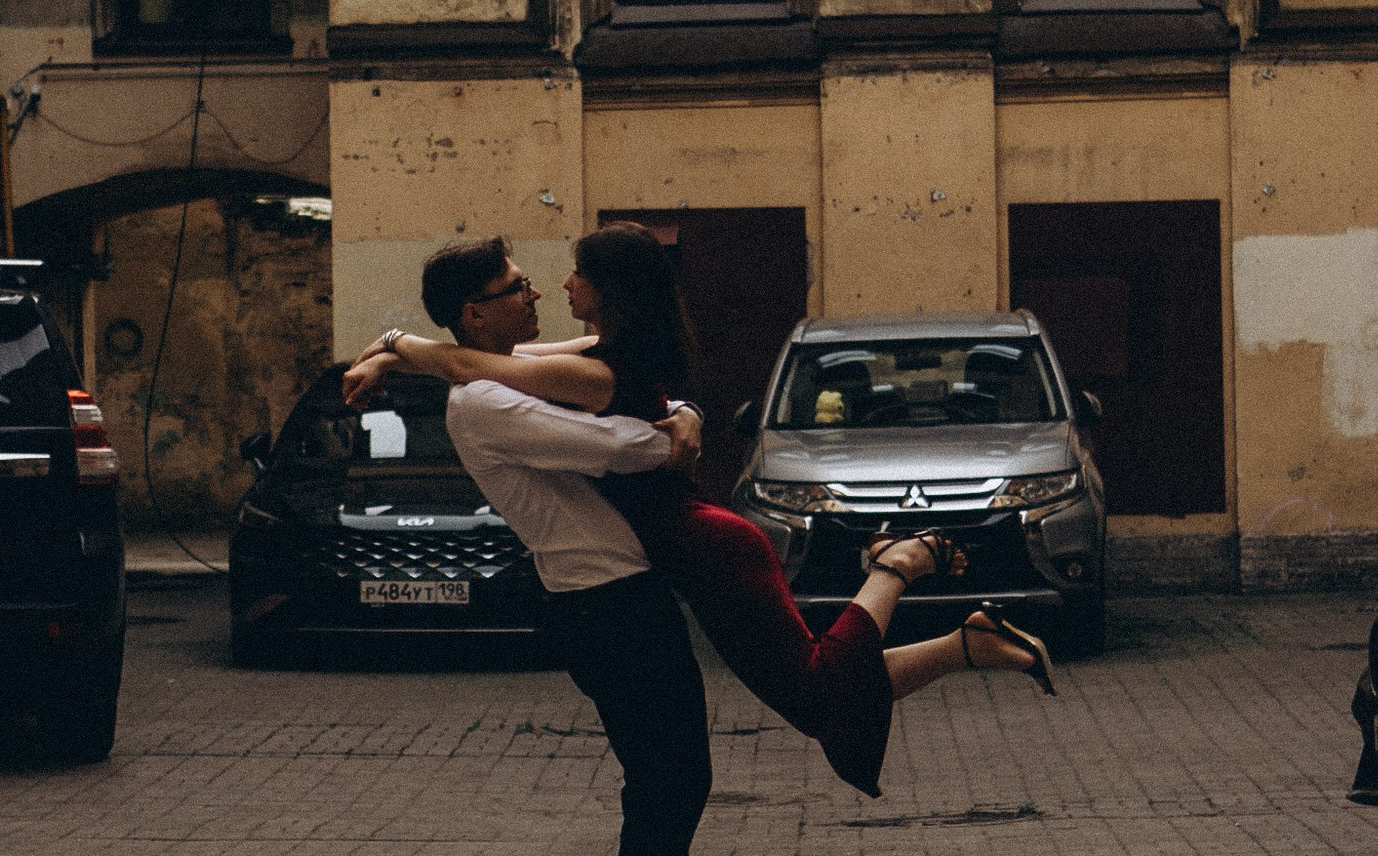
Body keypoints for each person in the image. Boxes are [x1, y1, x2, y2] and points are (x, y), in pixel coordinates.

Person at [351, 229, 1057, 811]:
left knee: (813, 693)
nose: (557, 287)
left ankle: (894, 566)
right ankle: (970, 643)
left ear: (606, 291)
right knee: (817, 690)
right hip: (701, 541)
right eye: (531, 281)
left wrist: (398, 347)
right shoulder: (597, 354)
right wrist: (396, 350)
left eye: (573, 275)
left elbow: (469, 364)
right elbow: (474, 361)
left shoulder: (590, 373)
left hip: (704, 547)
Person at [378, 235, 756, 856]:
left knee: (666, 783)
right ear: (476, 312)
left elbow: (610, 360)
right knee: (669, 783)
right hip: (606, 605)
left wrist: (682, 408)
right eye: (516, 288)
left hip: (614, 599)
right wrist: (675, 435)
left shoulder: (503, 373)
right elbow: (613, 448)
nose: (537, 294)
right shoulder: (484, 401)